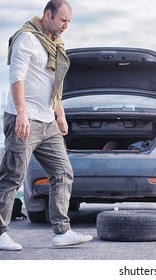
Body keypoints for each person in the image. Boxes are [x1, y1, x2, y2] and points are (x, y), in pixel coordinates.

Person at [0, 0, 93, 251]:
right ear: (47, 14)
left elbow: (53, 84)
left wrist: (59, 113)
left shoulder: (55, 47)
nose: (65, 26)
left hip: (47, 119)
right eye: (62, 20)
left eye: (69, 22)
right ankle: (1, 232)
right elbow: (16, 76)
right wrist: (21, 113)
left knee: (63, 173)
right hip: (24, 119)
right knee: (12, 176)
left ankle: (61, 231)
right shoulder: (27, 39)